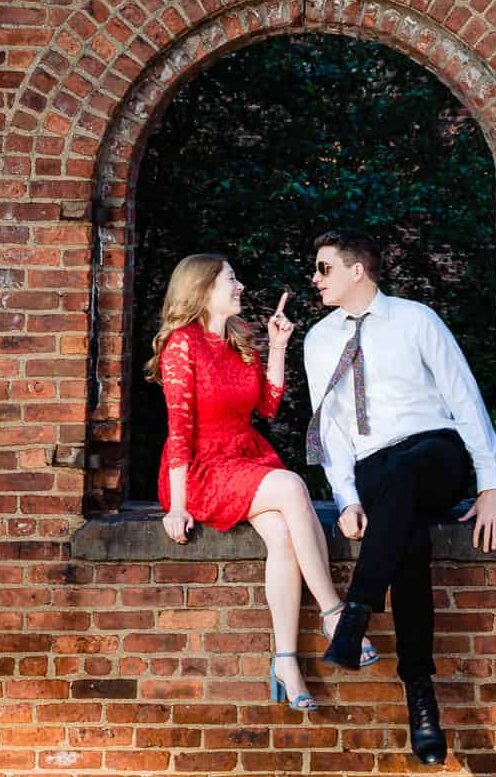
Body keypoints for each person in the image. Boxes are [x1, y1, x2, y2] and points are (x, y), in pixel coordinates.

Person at [304, 233, 496, 765]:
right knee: (407, 539)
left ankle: (356, 614)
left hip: (434, 453)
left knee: (403, 473)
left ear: (358, 271)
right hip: (377, 471)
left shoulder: (416, 319)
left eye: (324, 268)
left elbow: (464, 396)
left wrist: (490, 486)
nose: (315, 278)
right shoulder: (319, 340)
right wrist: (346, 499)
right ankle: (422, 697)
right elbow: (333, 431)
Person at [147, 252, 378, 710]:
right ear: (203, 288)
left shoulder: (238, 338)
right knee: (292, 486)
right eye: (231, 280)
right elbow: (178, 431)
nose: (241, 287)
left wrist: (277, 347)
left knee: (284, 538)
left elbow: (268, 407)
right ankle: (335, 614)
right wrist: (176, 506)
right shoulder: (181, 346)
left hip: (245, 459)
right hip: (202, 470)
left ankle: (286, 660)